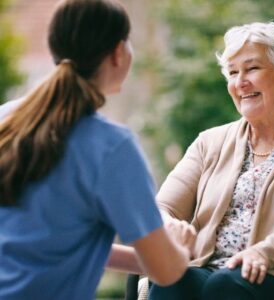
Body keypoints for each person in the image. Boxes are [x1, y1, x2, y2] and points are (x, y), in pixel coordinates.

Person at [0, 0, 196, 299]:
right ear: (118, 53)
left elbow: (52, 241)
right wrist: (180, 250)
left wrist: (143, 260)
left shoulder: (7, 118)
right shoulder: (112, 147)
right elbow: (166, 272)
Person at [148, 22, 274, 300]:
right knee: (172, 281)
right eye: (232, 73)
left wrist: (264, 252)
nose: (240, 82)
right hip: (208, 268)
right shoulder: (210, 141)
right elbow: (162, 206)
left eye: (252, 68)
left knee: (225, 286)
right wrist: (170, 226)